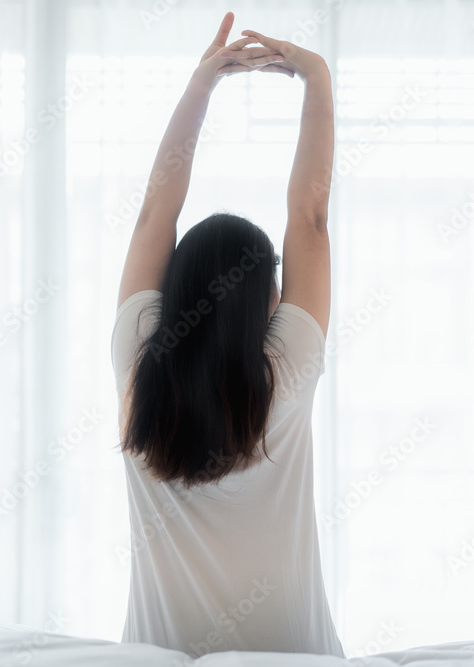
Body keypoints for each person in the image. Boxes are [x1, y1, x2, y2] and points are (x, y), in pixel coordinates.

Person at [110, 11, 343, 658]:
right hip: (298, 653)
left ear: (174, 289)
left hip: (156, 652)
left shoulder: (137, 360)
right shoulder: (287, 369)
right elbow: (311, 216)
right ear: (265, 298)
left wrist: (200, 89)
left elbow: (156, 211)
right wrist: (317, 78)